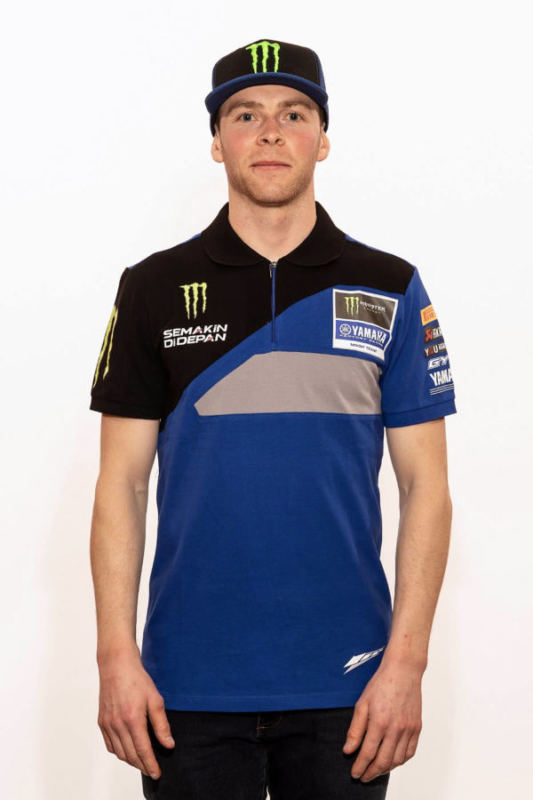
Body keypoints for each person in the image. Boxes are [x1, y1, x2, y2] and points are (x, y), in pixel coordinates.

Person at [89, 38, 456, 800]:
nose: (268, 132)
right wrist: (114, 657)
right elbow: (120, 485)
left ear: (322, 138)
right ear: (215, 140)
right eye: (244, 114)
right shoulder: (153, 288)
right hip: (185, 686)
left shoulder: (389, 286)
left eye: (293, 114)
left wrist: (406, 664)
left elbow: (426, 488)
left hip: (350, 687)